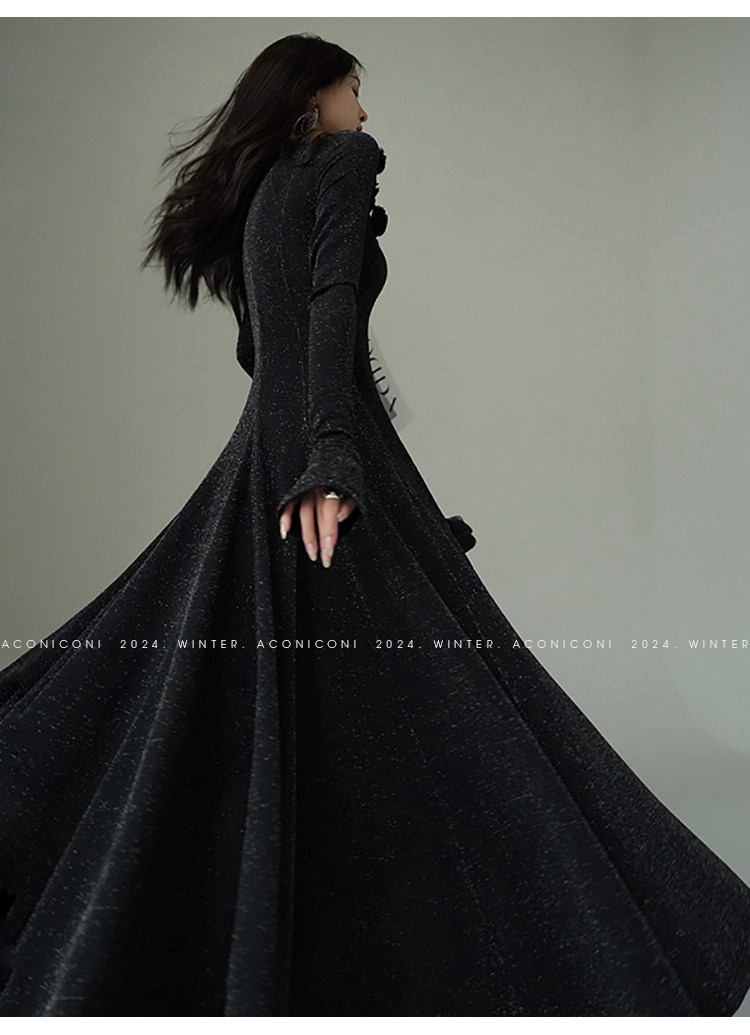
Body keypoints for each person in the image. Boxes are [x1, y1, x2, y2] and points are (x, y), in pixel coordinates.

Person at [0, 31, 749, 1018]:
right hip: (316, 460)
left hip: (276, 451)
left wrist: (342, 458)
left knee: (279, 697)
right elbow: (328, 305)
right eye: (355, 88)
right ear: (314, 96)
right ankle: (610, 951)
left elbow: (261, 346)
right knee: (451, 699)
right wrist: (330, 458)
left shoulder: (263, 188)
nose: (365, 108)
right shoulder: (340, 161)